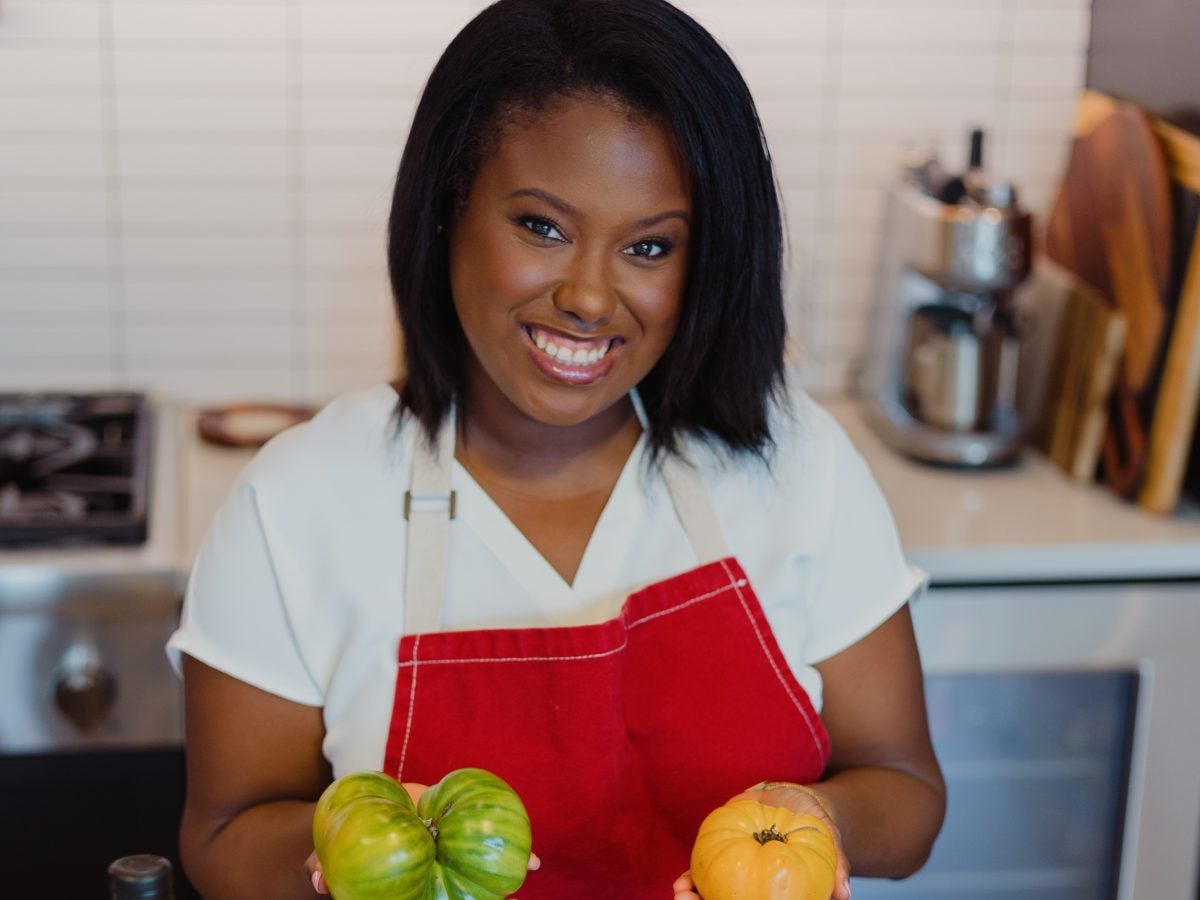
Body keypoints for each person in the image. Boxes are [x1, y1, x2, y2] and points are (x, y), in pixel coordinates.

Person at [168, 0, 947, 897]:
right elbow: (224, 835)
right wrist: (351, 846)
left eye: (650, 246)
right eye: (541, 227)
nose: (587, 296)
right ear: (446, 212)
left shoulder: (796, 464)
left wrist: (820, 826)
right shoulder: (298, 503)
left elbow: (908, 794)